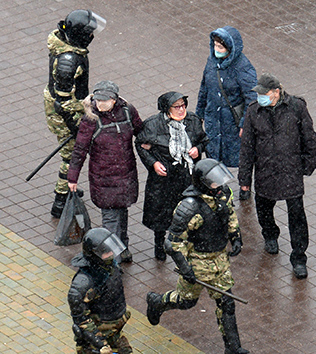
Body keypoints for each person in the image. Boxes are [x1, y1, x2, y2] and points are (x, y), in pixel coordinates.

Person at [145, 159, 248, 354]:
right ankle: (158, 302)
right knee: (186, 301)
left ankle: (233, 348)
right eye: (215, 183)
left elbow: (230, 214)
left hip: (220, 260)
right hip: (197, 262)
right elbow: (173, 243)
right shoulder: (189, 208)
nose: (220, 186)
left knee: (226, 303)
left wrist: (236, 237)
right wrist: (185, 269)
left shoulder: (223, 195)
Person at [238, 73, 316, 279]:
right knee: (264, 208)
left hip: (290, 170)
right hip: (265, 170)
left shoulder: (296, 108)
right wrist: (245, 180)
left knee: (297, 216)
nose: (260, 98)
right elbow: (247, 148)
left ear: (276, 92)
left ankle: (299, 257)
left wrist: (308, 165)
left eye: (264, 94)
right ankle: (270, 235)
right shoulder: (254, 112)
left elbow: (309, 137)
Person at [67, 81, 143, 263]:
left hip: (126, 175)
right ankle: (111, 258)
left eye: (105, 100)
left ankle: (122, 248)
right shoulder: (90, 119)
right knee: (110, 219)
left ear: (114, 99)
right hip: (104, 179)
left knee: (122, 212)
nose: (101, 104)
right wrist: (72, 177)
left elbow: (141, 130)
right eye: (98, 100)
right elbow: (79, 149)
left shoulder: (127, 111)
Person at [44, 9, 106, 218]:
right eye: (88, 33)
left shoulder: (70, 50)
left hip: (70, 108)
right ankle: (60, 201)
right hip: (64, 115)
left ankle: (67, 187)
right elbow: (63, 103)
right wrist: (76, 127)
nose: (92, 37)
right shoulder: (68, 61)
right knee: (71, 156)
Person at [135, 91, 208, 261]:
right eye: (177, 106)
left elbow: (204, 140)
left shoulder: (193, 121)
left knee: (189, 212)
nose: (181, 109)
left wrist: (198, 149)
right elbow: (139, 143)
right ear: (167, 109)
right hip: (163, 179)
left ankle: (187, 244)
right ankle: (159, 245)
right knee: (161, 214)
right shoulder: (153, 125)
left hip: (187, 176)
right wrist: (153, 163)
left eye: (183, 105)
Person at [195, 26, 257, 172]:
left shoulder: (243, 67)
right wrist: (199, 114)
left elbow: (252, 98)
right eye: (215, 45)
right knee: (213, 153)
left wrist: (244, 123)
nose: (217, 49)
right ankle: (217, 185)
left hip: (232, 122)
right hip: (213, 119)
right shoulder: (211, 62)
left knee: (242, 155)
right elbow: (204, 88)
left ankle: (244, 186)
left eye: (221, 47)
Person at [68, 228, 132, 354]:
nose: (110, 255)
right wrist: (100, 344)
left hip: (114, 332)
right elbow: (81, 320)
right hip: (96, 341)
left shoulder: (109, 267)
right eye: (105, 253)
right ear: (94, 255)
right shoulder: (82, 285)